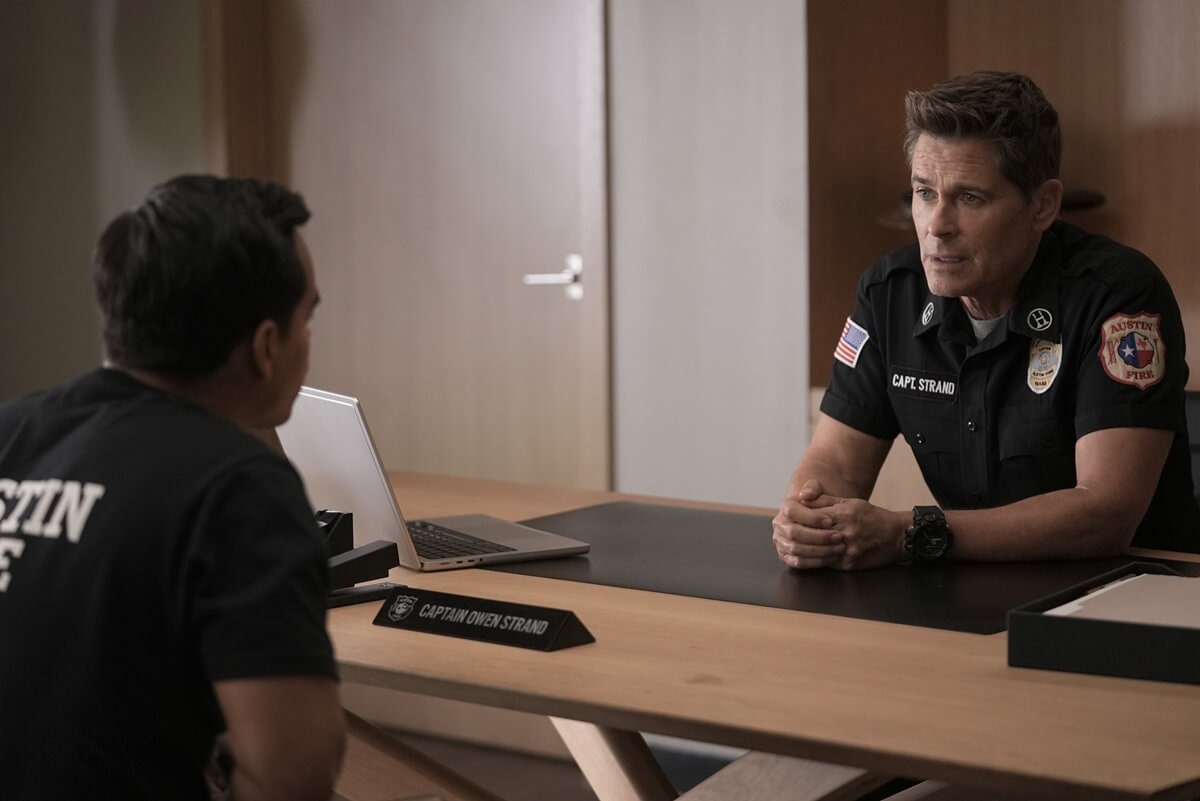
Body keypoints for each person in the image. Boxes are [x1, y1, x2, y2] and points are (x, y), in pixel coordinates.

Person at [0, 175, 345, 800]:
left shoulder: (11, 431)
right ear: (267, 346)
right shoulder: (237, 488)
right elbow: (291, 779)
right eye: (308, 318)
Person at [773, 71, 1200, 571]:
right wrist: (809, 519)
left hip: (1130, 593)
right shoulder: (891, 292)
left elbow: (1105, 512)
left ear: (1043, 205)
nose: (936, 226)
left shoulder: (1118, 295)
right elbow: (837, 461)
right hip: (966, 587)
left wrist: (908, 533)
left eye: (969, 198)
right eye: (924, 193)